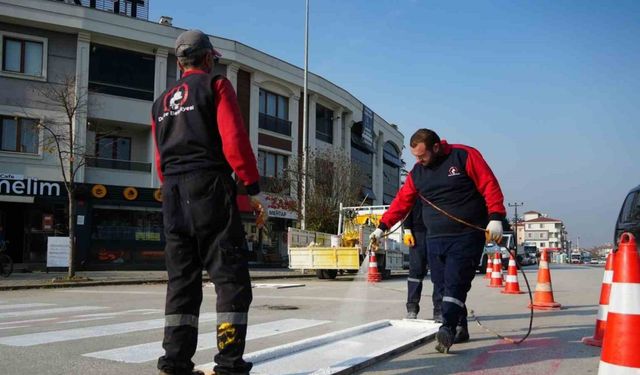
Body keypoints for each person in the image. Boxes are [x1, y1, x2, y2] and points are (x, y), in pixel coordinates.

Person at [151, 29, 267, 375]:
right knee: (230, 278)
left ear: (178, 62)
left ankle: (175, 364)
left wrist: (175, 187)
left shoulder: (160, 104)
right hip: (209, 186)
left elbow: (159, 159)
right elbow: (234, 140)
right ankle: (229, 365)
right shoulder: (216, 86)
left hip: (172, 191)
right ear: (206, 59)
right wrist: (253, 189)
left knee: (181, 282)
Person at [370, 128, 505, 354]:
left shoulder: (463, 156)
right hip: (435, 237)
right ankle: (461, 326)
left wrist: (496, 218)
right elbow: (402, 202)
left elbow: (489, 185)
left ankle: (448, 328)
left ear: (435, 147)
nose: (419, 161)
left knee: (455, 282)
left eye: (422, 156)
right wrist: (381, 227)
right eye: (415, 157)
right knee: (442, 286)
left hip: (466, 234)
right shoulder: (417, 173)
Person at [403, 201, 441, 320]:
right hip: (417, 233)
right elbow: (406, 207)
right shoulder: (415, 185)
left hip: (436, 232)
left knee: (438, 272)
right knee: (415, 271)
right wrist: (407, 229)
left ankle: (439, 310)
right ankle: (412, 308)